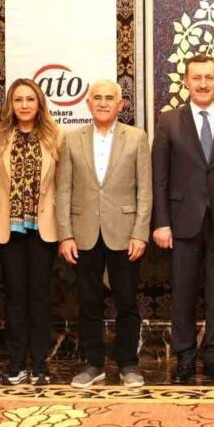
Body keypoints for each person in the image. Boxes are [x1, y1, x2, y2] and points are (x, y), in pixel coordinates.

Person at [152, 54, 214, 386]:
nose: (203, 84)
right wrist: (161, 222)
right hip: (181, 222)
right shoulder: (168, 122)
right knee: (182, 292)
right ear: (186, 82)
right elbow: (159, 178)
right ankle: (184, 358)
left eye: (209, 77)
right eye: (196, 78)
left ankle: (213, 358)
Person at [57, 79, 152, 389]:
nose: (102, 102)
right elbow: (64, 189)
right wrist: (65, 235)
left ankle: (128, 364)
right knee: (88, 302)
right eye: (96, 97)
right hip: (83, 233)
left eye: (109, 98)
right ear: (88, 103)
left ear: (120, 104)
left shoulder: (137, 138)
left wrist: (140, 233)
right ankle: (93, 364)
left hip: (125, 233)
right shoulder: (71, 139)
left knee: (127, 302)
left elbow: (145, 190)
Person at [0, 78, 61, 386]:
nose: (24, 105)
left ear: (39, 103)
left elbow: (62, 186)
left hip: (44, 228)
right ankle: (15, 364)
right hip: (7, 229)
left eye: (30, 99)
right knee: (14, 298)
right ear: (10, 105)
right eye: (18, 100)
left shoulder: (55, 134)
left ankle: (40, 365)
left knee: (40, 297)